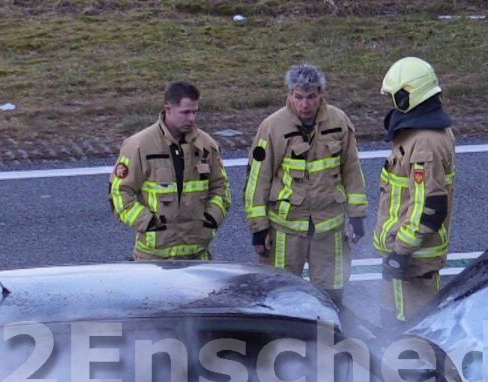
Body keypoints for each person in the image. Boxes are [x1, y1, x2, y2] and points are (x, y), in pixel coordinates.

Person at [244, 64, 368, 307]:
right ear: (290, 94)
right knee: (280, 296)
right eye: (298, 97)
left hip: (329, 229)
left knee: (332, 296)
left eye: (311, 97)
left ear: (321, 93)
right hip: (285, 231)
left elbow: (352, 170)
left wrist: (357, 217)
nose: (305, 105)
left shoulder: (339, 121)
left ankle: (327, 342)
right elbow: (257, 179)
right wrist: (258, 229)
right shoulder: (272, 127)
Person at [373, 57, 455, 328]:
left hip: (412, 261)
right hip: (406, 259)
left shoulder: (424, 144)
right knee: (395, 326)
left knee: (413, 332)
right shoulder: (422, 134)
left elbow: (428, 209)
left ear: (409, 95)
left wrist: (400, 252)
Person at [109, 81, 231, 260]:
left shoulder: (207, 146)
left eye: (195, 112)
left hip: (197, 256)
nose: (192, 118)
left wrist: (212, 218)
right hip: (152, 259)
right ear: (168, 109)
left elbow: (221, 188)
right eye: (185, 112)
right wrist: (148, 223)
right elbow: (119, 192)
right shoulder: (139, 146)